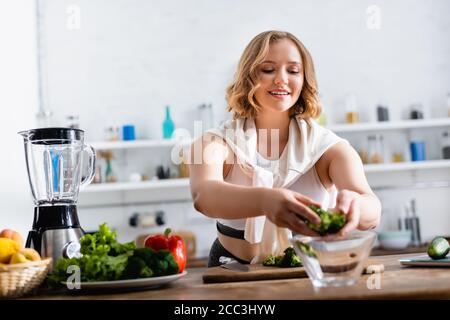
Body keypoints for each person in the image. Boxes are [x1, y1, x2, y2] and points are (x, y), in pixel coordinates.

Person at [189, 30, 381, 267]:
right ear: (248, 76)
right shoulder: (213, 143)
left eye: (293, 71)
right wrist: (265, 200)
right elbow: (203, 195)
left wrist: (355, 207)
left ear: (304, 80)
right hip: (231, 269)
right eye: (268, 69)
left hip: (308, 270)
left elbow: (372, 208)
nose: (281, 79)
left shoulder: (330, 149)